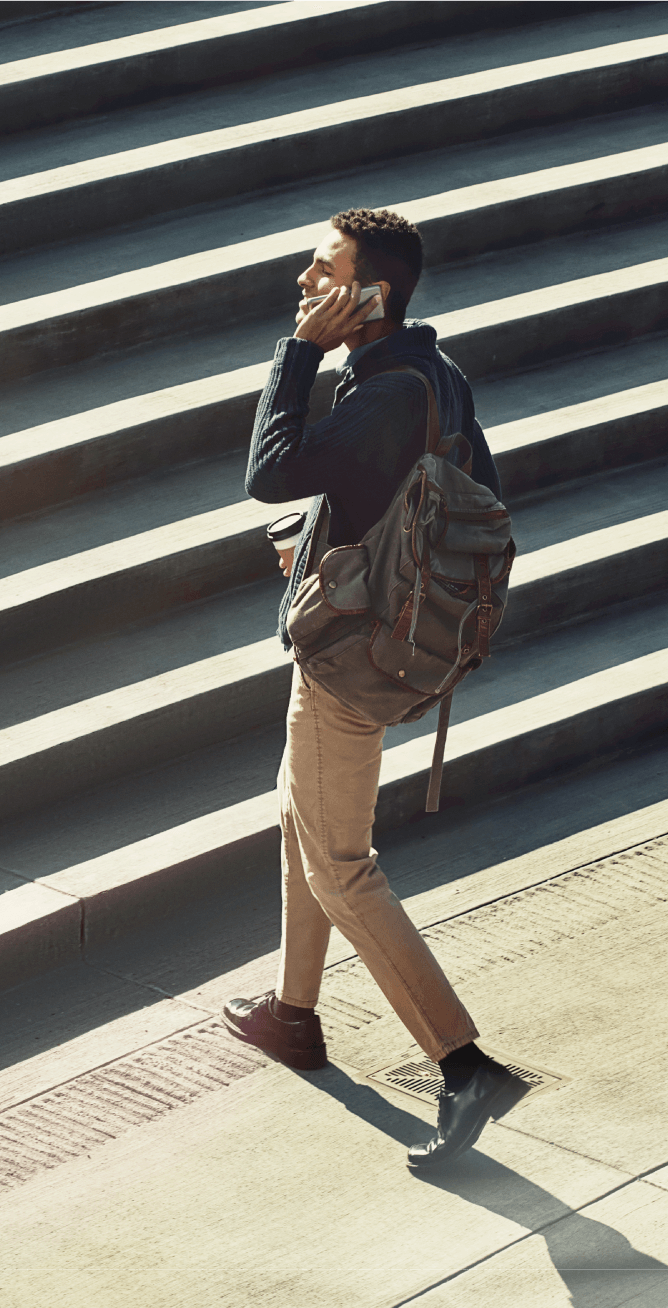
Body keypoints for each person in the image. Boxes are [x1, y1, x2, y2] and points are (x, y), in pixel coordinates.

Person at [221, 207, 529, 1169]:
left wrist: (293, 355)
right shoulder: (435, 376)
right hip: (392, 634)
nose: (302, 286)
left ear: (372, 293)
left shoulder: (373, 388)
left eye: (320, 271)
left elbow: (270, 470)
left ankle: (462, 1062)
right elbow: (429, 489)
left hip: (351, 660)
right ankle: (294, 1012)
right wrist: (327, 544)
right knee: (299, 819)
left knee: (340, 864)